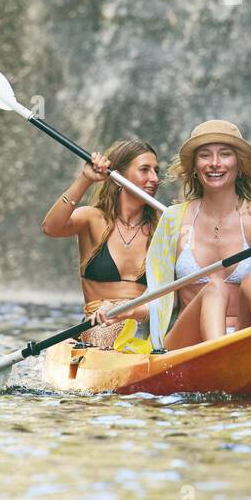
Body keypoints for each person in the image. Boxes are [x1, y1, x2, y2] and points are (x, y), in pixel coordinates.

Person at [145, 120, 251, 352]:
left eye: (225, 154)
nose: (214, 163)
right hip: (188, 345)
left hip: (244, 333)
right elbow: (160, 296)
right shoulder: (174, 219)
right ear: (195, 167)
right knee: (214, 288)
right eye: (205, 155)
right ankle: (219, 356)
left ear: (240, 166)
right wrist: (120, 310)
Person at [41, 139, 160, 346]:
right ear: (119, 177)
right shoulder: (92, 218)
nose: (154, 178)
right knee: (112, 329)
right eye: (145, 170)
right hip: (101, 323)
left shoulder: (163, 228)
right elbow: (51, 228)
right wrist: (85, 179)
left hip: (146, 321)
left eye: (156, 171)